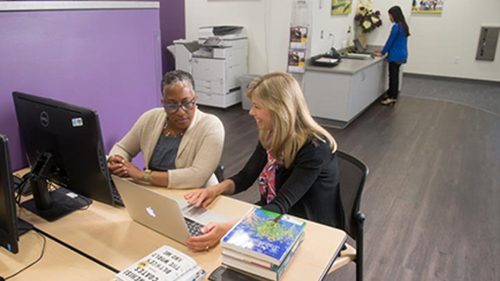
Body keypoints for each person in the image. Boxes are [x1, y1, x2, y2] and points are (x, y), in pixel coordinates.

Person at [183, 72, 344, 251]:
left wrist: (229, 229)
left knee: (227, 248)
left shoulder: (315, 147)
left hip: (310, 225)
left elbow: (281, 204)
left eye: (257, 106)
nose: (251, 112)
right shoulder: (271, 134)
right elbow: (245, 177)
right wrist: (214, 190)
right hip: (277, 213)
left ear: (279, 109)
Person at [107, 70, 224, 188]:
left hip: (196, 195)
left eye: (187, 103)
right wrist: (117, 162)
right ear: (163, 103)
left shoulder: (211, 126)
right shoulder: (150, 118)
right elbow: (123, 148)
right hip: (154, 191)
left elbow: (196, 177)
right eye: (172, 105)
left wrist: (143, 175)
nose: (180, 112)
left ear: (195, 99)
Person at [374, 6, 410, 106]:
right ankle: (392, 94)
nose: (389, 17)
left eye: (390, 15)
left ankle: (391, 98)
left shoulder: (396, 26)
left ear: (394, 15)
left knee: (393, 77)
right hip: (402, 54)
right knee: (395, 76)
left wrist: (382, 52)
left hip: (395, 55)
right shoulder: (403, 25)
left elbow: (390, 41)